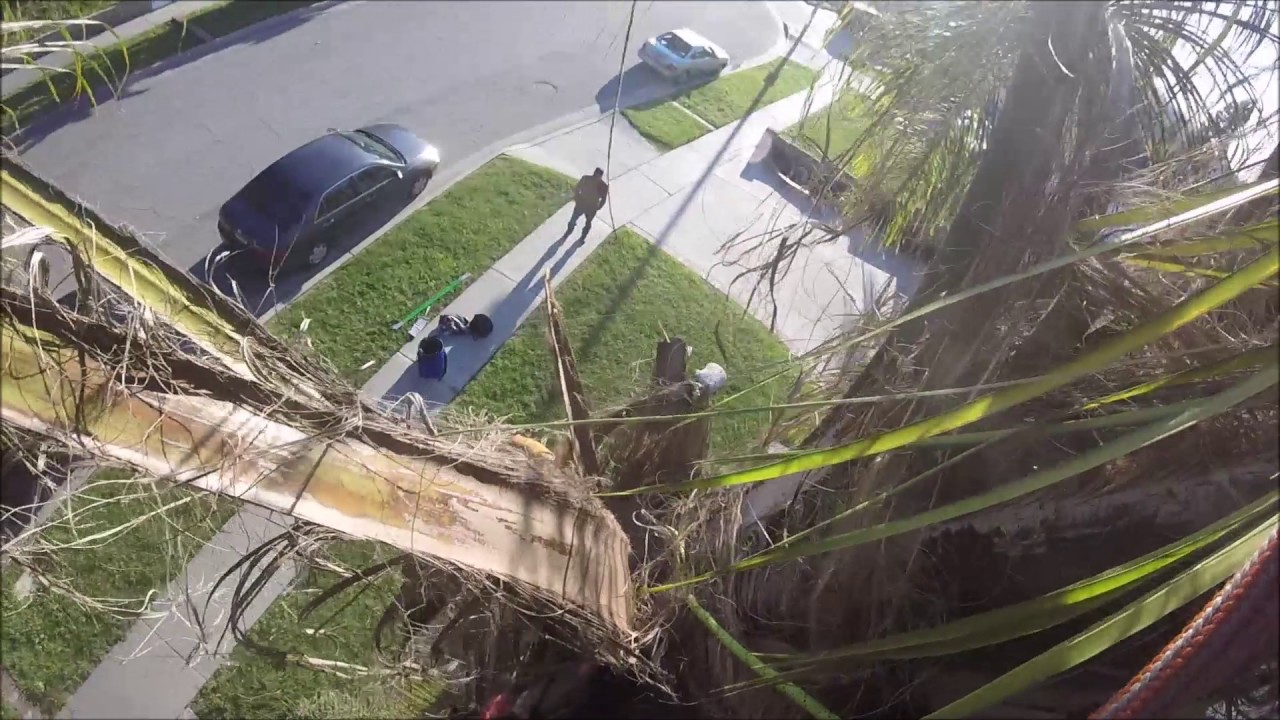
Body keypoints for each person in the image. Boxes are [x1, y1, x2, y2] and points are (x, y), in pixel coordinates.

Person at [568, 167, 609, 238]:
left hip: (592, 207)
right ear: (593, 173)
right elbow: (577, 188)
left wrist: (598, 207)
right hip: (581, 203)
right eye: (595, 175)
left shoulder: (603, 186)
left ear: (601, 176)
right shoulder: (585, 179)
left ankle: (583, 236)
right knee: (573, 220)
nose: (595, 177)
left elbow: (603, 199)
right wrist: (577, 198)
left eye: (598, 176)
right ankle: (569, 231)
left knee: (588, 222)